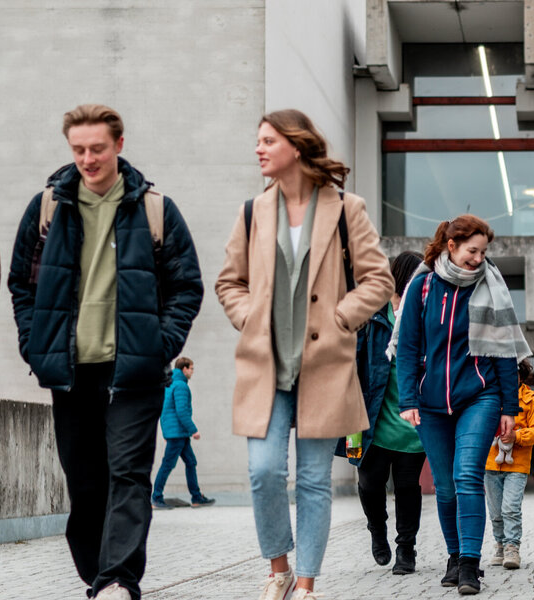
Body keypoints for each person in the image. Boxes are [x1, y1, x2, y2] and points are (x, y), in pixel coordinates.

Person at [7, 104, 203, 600]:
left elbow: (186, 286)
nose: (87, 159)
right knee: (87, 484)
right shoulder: (48, 207)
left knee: (129, 475)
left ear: (119, 144)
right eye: (78, 150)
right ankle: (99, 573)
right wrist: (35, 347)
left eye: (97, 149)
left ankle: (118, 579)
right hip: (71, 373)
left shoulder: (155, 208)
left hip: (134, 372)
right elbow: (22, 285)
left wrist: (159, 345)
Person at [216, 109, 393, 600]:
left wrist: (341, 318)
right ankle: (280, 569)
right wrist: (250, 316)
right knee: (263, 471)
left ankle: (308, 584)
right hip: (266, 367)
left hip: (324, 366)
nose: (259, 149)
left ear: (296, 146)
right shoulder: (253, 211)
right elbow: (229, 282)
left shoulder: (346, 209)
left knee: (314, 480)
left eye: (268, 140)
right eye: (259, 141)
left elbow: (379, 279)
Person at [392, 214, 532, 595]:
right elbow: (406, 349)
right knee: (444, 486)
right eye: (473, 251)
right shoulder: (421, 286)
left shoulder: (490, 286)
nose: (479, 258)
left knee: (467, 474)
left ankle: (470, 564)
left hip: (480, 396)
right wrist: (408, 398)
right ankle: (454, 558)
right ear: (451, 247)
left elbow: (504, 355)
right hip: (430, 402)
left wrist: (508, 408)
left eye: (484, 251)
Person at [340, 251, 428, 575]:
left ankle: (407, 549)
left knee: (407, 486)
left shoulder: (422, 315)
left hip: (410, 419)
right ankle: (377, 529)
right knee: (369, 481)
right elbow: (351, 358)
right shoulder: (372, 314)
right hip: (369, 417)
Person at [483, 358, 534, 570]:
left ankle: (512, 546)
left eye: (513, 374)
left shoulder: (530, 400)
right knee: (495, 511)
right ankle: (500, 544)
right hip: (490, 463)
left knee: (510, 507)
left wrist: (517, 436)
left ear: (520, 376)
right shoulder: (490, 396)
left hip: (517, 465)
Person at [152, 357, 215, 510]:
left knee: (191, 462)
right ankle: (156, 498)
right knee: (167, 465)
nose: (193, 372)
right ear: (184, 369)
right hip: (178, 433)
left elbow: (166, 410)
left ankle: (196, 497)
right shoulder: (180, 386)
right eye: (191, 368)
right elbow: (181, 411)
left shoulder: (170, 383)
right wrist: (193, 430)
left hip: (177, 432)